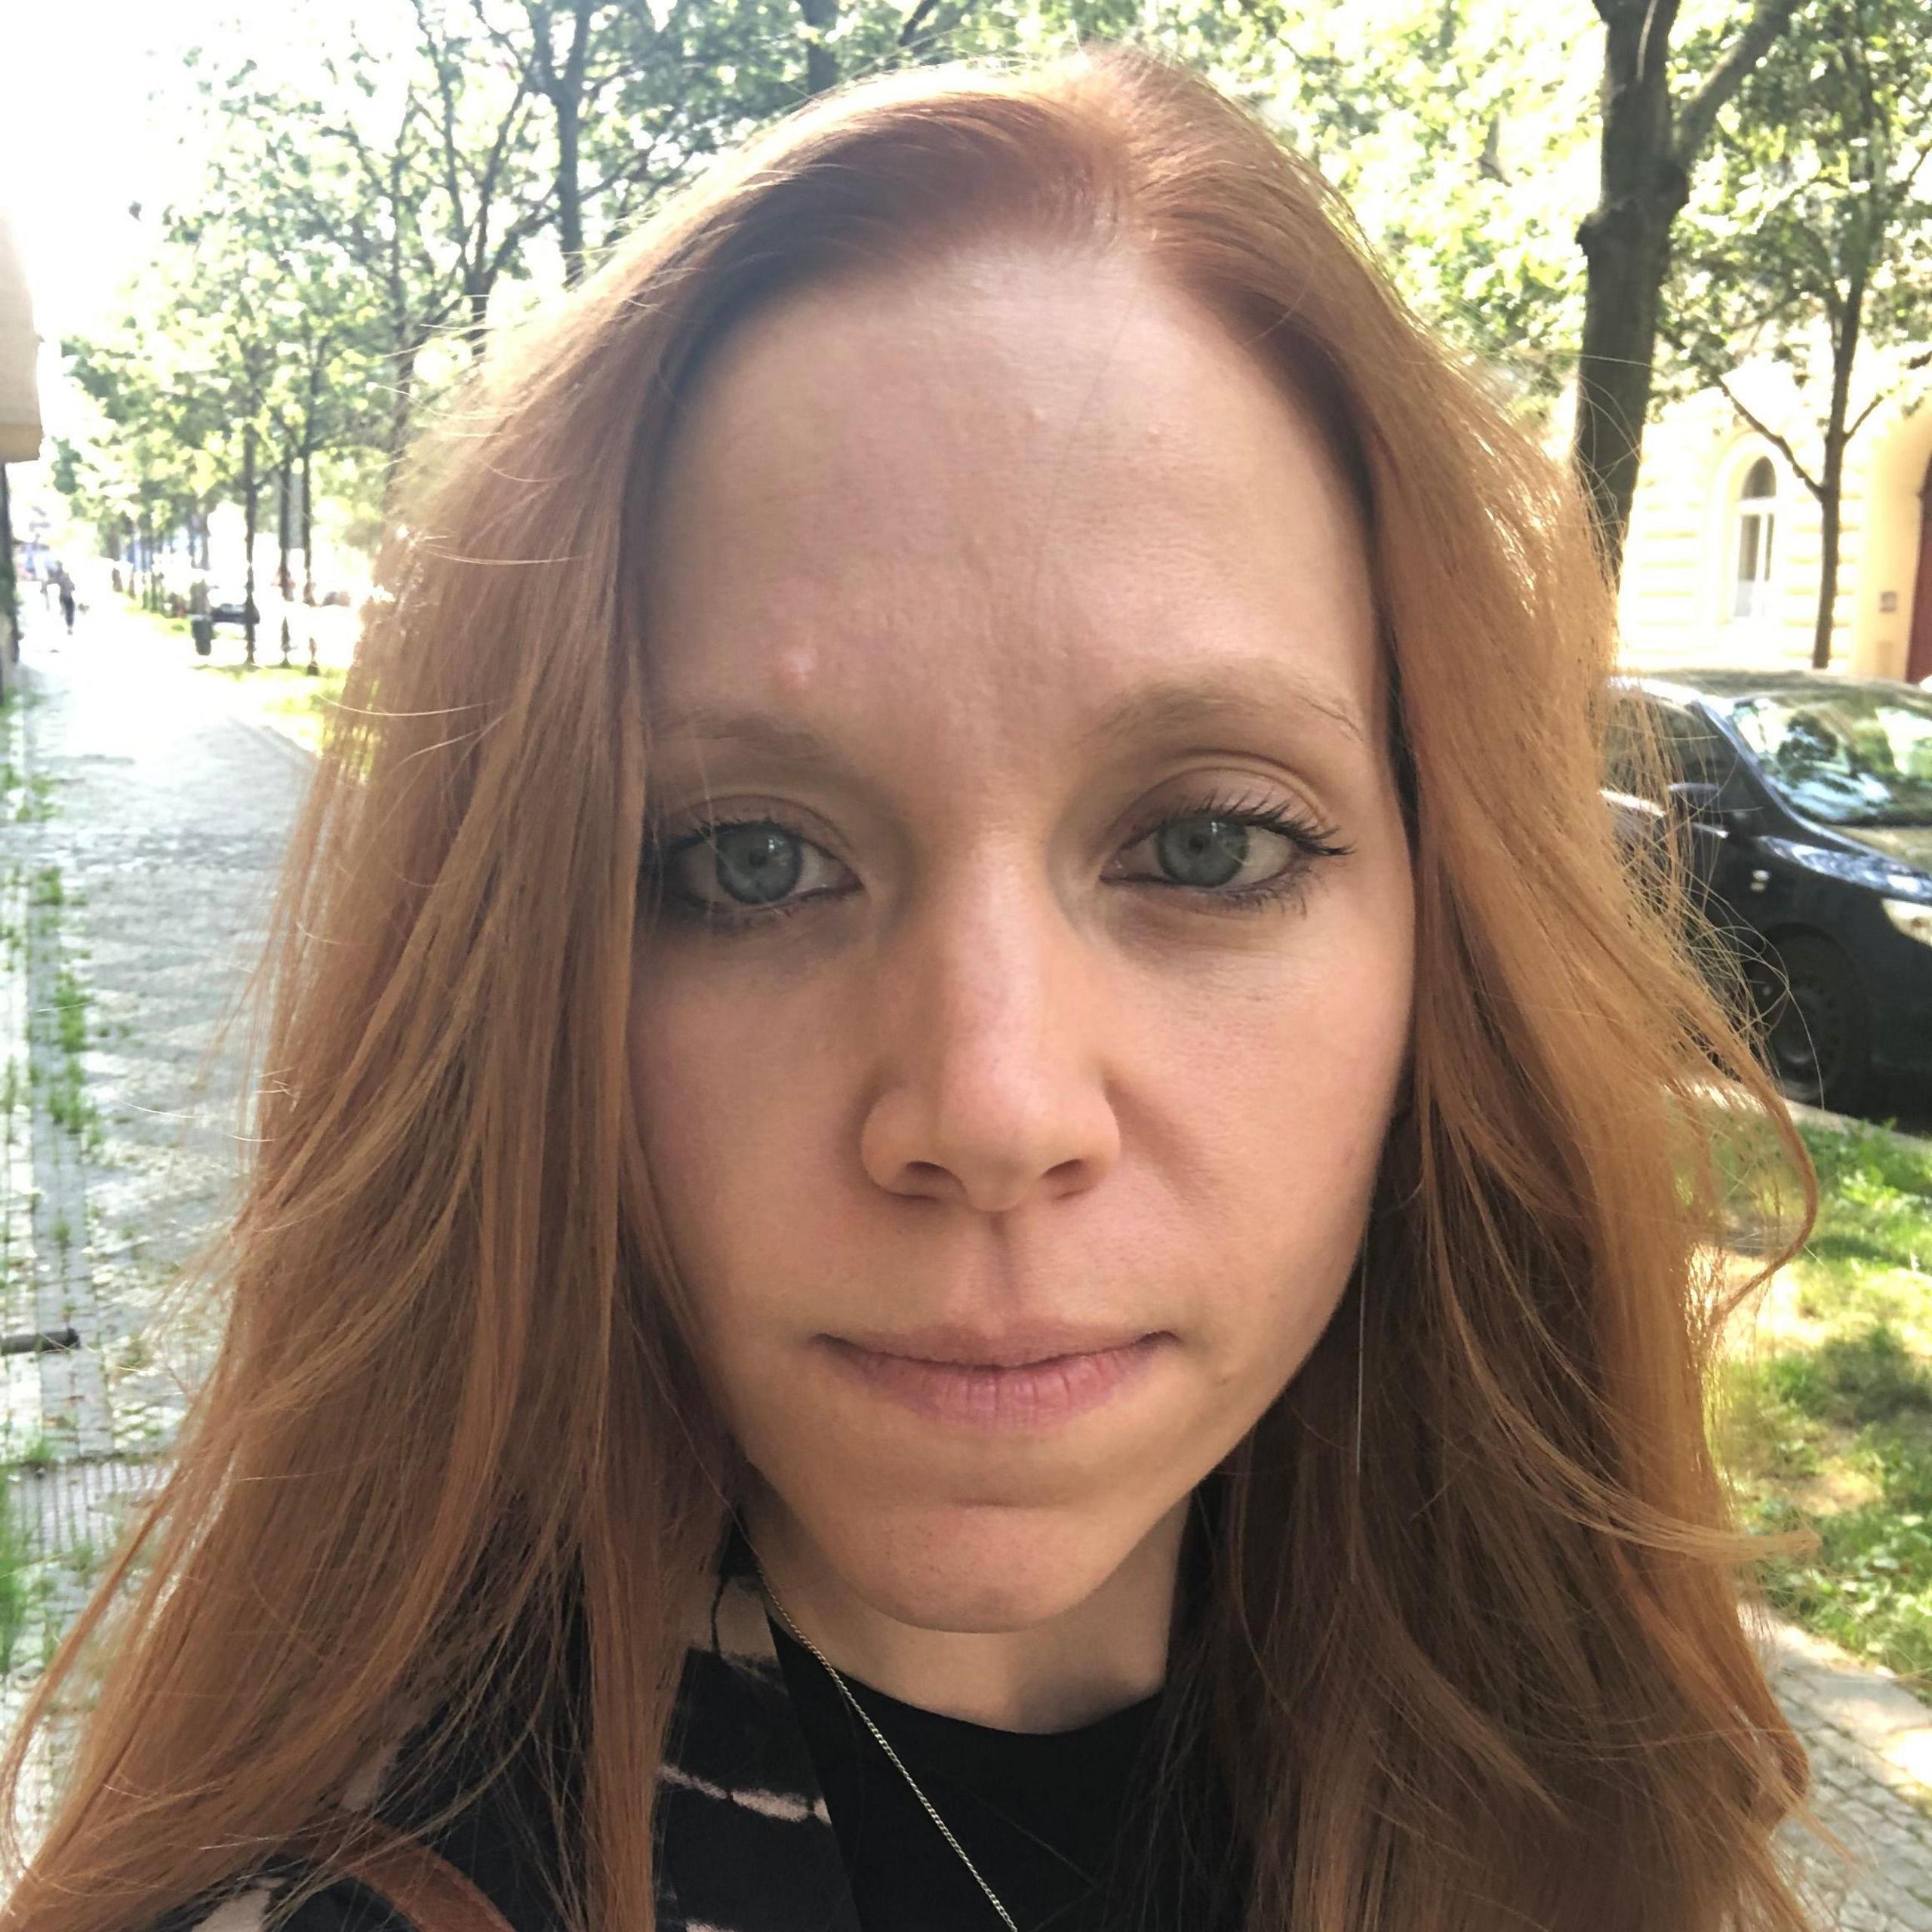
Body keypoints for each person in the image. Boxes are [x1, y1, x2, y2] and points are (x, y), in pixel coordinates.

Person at [0, 46, 1820, 1932]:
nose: (992, 1106)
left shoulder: (1601, 1804)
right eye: (748, 860)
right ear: (526, 980)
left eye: (1206, 843)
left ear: (1453, 938)